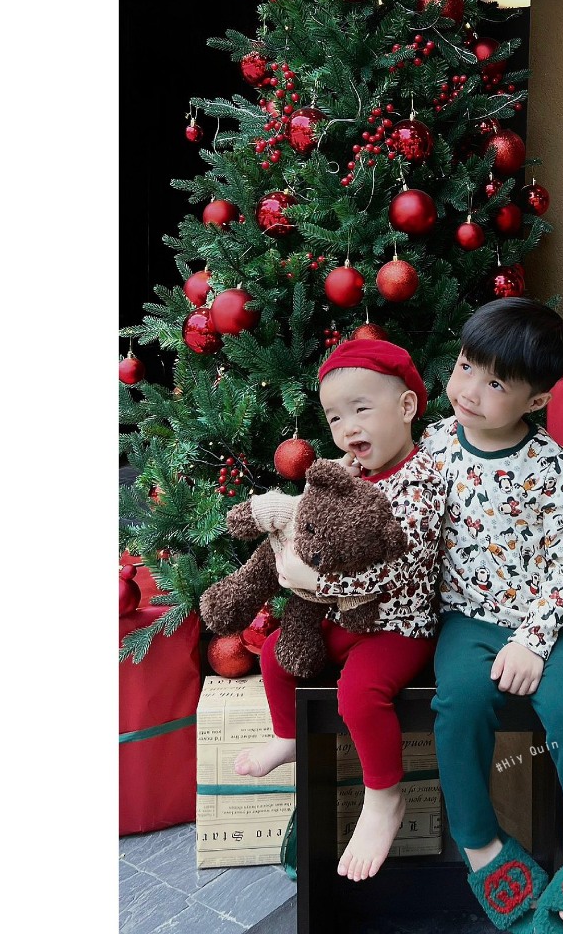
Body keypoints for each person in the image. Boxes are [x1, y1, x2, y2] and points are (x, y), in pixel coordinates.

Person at [420, 298, 563, 934]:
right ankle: (482, 844)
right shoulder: (435, 443)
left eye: (497, 383)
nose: (469, 390)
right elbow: (402, 512)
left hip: (544, 622)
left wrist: (534, 639)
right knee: (459, 705)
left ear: (537, 399)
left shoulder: (548, 464)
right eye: (465, 366)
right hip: (466, 619)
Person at [236, 339, 447, 884]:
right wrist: (332, 479)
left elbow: (403, 568)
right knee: (278, 655)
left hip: (399, 626)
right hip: (345, 619)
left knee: (359, 693)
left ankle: (384, 797)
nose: (348, 426)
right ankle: (288, 734)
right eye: (334, 417)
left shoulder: (421, 479)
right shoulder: (355, 473)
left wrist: (320, 583)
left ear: (406, 407)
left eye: (361, 409)